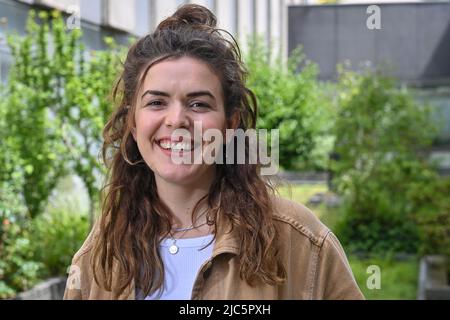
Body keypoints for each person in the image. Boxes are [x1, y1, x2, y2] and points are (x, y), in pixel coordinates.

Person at [63, 4, 364, 300]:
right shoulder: (102, 252)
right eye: (157, 102)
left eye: (198, 104)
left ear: (230, 124)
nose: (177, 120)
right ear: (132, 122)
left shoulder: (298, 241)